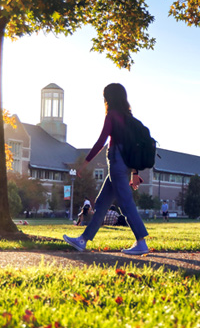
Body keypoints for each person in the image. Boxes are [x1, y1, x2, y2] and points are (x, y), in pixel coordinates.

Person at [63, 83, 150, 255]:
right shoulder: (128, 118)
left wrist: (84, 163)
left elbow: (101, 141)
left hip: (116, 163)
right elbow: (133, 149)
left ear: (109, 98)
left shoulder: (112, 115)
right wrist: (134, 173)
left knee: (125, 203)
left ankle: (141, 242)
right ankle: (83, 240)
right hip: (122, 164)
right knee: (102, 203)